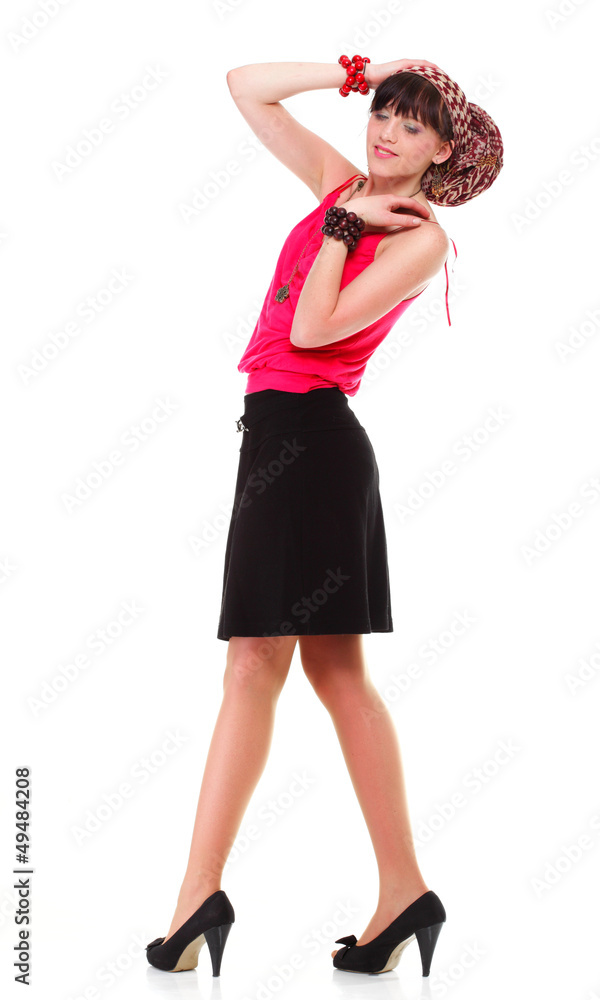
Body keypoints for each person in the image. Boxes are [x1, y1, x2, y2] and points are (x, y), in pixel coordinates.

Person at [146, 56, 504, 978]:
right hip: (277, 441)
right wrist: (360, 71)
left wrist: (349, 226)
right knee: (331, 675)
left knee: (260, 667)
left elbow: (312, 330)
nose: (387, 132)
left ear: (443, 152)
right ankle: (403, 892)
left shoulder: (420, 239)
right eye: (384, 112)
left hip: (311, 446)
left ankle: (198, 896)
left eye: (413, 125)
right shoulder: (340, 183)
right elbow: (245, 85)